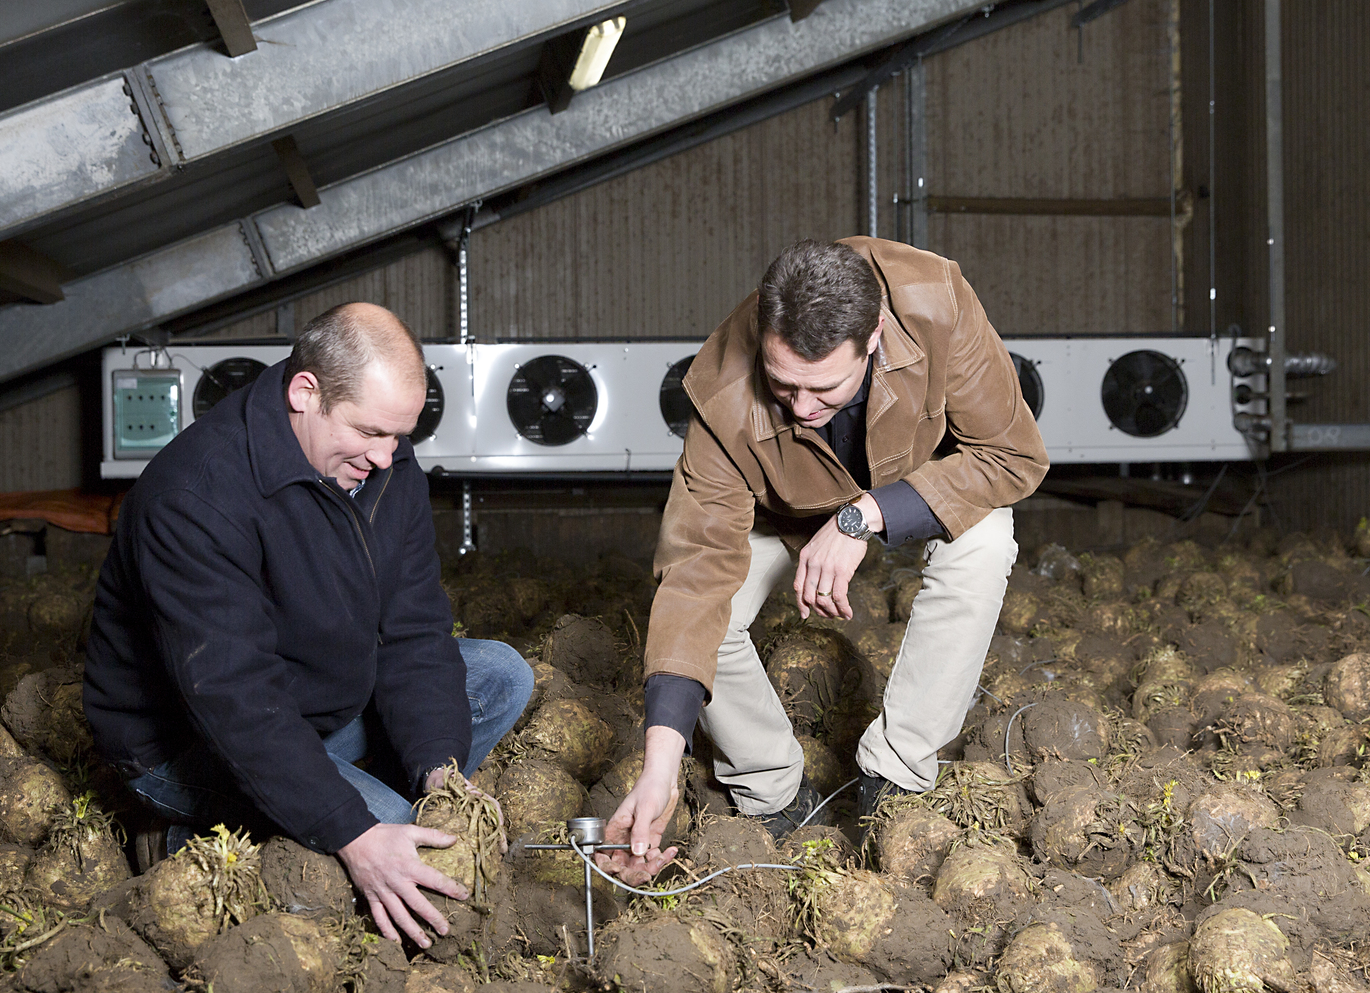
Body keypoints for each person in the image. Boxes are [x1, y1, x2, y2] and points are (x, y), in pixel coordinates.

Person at [599, 238, 1048, 883]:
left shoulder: (936, 302)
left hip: (913, 496)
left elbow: (1013, 457)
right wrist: (659, 769)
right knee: (709, 614)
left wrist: (864, 516)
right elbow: (695, 572)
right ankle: (772, 791)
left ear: (873, 339)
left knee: (987, 539)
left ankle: (896, 775)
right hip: (790, 520)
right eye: (784, 386)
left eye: (824, 388)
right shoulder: (722, 388)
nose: (803, 409)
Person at [85, 302, 533, 946]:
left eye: (400, 436)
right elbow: (234, 698)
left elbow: (414, 631)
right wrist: (353, 832)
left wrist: (440, 773)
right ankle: (191, 835)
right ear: (305, 393)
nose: (386, 458)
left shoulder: (383, 465)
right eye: (371, 433)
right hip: (190, 742)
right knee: (399, 860)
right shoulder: (196, 496)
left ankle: (320, 792)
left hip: (312, 708)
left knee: (499, 676)